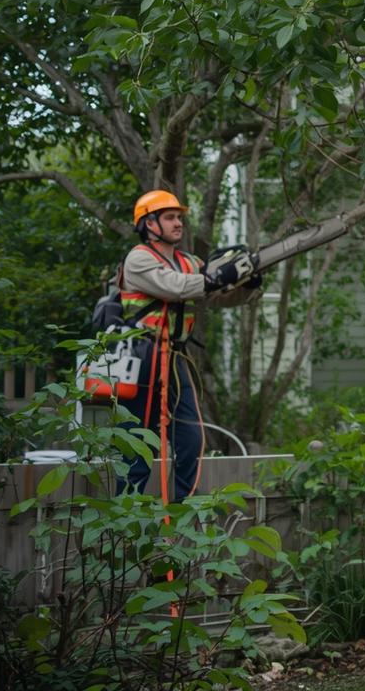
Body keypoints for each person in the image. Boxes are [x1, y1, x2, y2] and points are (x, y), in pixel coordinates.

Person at [118, 189, 262, 503]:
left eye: (179, 217)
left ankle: (181, 509)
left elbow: (220, 297)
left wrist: (247, 285)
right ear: (149, 224)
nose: (178, 223)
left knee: (191, 438)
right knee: (137, 441)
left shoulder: (189, 261)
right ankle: (126, 515)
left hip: (175, 356)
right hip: (141, 355)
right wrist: (213, 277)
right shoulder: (139, 258)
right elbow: (175, 288)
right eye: (169, 217)